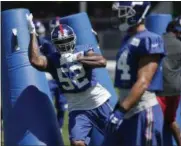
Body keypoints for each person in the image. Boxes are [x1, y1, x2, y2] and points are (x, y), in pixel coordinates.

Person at [26, 13, 112, 146]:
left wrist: (78, 58)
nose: (65, 46)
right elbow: (35, 60)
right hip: (77, 107)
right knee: (76, 142)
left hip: (98, 101)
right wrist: (32, 33)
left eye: (67, 41)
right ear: (55, 44)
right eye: (60, 43)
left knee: (119, 137)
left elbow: (101, 61)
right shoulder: (54, 59)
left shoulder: (83, 50)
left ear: (74, 39)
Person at [102, 2, 165, 146]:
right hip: (125, 104)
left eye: (124, 12)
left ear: (137, 12)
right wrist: (119, 108)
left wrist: (121, 111)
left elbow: (143, 82)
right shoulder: (128, 38)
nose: (119, 15)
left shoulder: (149, 39)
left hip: (142, 109)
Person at [34, 20, 68, 131]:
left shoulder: (66, 41)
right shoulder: (45, 42)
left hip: (63, 77)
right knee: (47, 104)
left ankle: (60, 127)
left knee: (62, 106)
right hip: (51, 77)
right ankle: (48, 127)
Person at [156, 16, 181, 146]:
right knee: (171, 120)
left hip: (160, 90)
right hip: (176, 90)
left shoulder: (156, 41)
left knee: (154, 123)